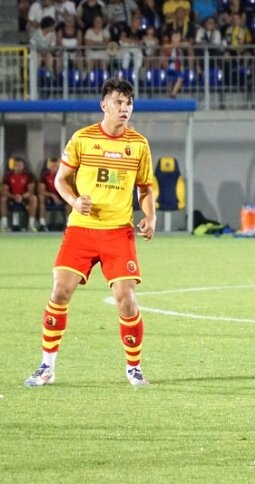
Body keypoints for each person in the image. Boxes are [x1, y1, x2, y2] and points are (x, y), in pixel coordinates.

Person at [23, 78, 156, 388]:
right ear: (104, 105)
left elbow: (145, 187)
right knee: (60, 291)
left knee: (126, 300)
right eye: (119, 103)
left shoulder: (138, 144)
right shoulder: (83, 139)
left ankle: (134, 368)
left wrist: (150, 216)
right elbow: (61, 180)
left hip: (118, 232)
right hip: (82, 230)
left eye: (129, 104)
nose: (125, 109)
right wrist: (74, 201)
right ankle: (46, 366)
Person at [0, 157, 38, 232]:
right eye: (16, 165)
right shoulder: (8, 175)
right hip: (11, 197)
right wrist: (14, 197)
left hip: (25, 197)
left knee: (33, 198)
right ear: (13, 166)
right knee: (3, 199)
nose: (18, 167)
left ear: (23, 166)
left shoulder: (29, 175)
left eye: (20, 165)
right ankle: (4, 225)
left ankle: (31, 225)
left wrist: (22, 196)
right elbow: (4, 191)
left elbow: (31, 191)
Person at [37, 156, 70, 231]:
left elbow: (68, 188)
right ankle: (42, 223)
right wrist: (52, 196)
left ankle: (67, 223)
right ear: (49, 167)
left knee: (70, 198)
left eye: (56, 166)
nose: (54, 168)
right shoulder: (44, 176)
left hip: (62, 196)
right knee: (41, 197)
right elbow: (41, 191)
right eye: (52, 166)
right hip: (49, 197)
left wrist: (63, 196)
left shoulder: (65, 175)